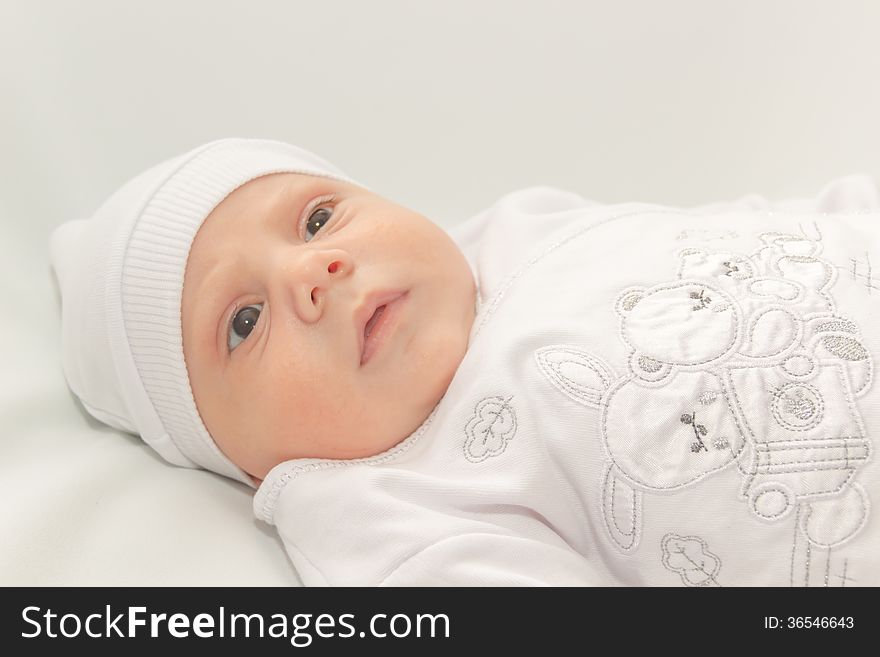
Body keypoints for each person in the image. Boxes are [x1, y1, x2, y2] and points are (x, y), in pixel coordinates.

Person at [50, 138, 880, 585]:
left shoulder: (532, 228)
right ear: (235, 460)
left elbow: (759, 228)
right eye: (243, 322)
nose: (314, 272)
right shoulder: (397, 508)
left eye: (316, 219)